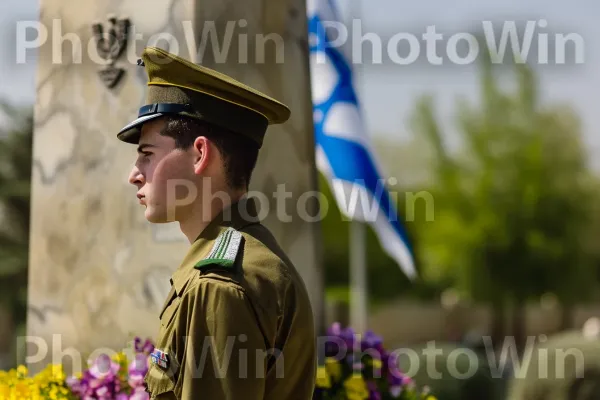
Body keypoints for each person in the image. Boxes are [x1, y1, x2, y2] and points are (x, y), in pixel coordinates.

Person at [116, 46, 316, 399]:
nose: (134, 175)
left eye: (147, 155)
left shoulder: (219, 285)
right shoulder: (245, 259)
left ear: (199, 154)